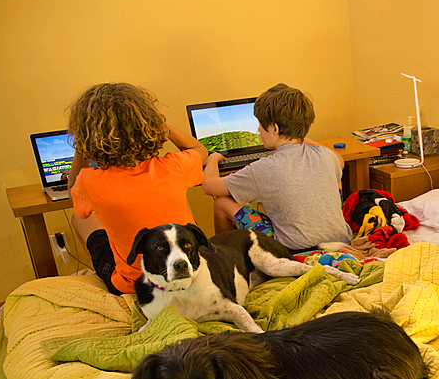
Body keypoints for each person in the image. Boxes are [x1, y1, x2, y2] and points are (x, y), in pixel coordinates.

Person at [67, 82, 208, 295]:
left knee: (80, 217)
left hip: (135, 284)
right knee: (181, 195)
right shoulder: (174, 167)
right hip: (186, 270)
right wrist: (162, 126)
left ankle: (108, 274)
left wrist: (83, 146)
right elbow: (199, 149)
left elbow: (73, 189)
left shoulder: (89, 181)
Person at [201, 83, 353, 252]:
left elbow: (209, 186)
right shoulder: (326, 155)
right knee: (335, 177)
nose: (258, 130)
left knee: (222, 202)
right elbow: (340, 161)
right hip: (342, 241)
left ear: (275, 128)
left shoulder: (263, 168)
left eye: (260, 124)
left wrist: (213, 158)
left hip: (294, 250)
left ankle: (226, 255)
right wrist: (304, 139)